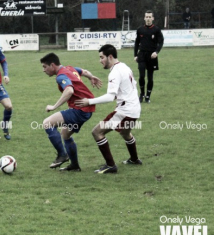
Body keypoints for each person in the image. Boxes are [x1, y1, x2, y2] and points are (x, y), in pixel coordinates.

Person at [75, 44, 142, 174]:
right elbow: (133, 85)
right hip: (134, 109)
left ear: (110, 57)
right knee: (125, 133)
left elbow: (110, 97)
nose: (100, 61)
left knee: (97, 132)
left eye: (102, 57)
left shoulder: (115, 72)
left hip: (125, 111)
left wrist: (89, 101)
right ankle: (134, 159)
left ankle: (110, 166)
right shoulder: (124, 66)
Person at [40, 53, 102, 171]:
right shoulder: (69, 68)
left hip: (80, 109)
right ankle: (74, 166)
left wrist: (54, 106)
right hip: (87, 109)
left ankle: (62, 155)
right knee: (65, 134)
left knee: (47, 123)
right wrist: (91, 77)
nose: (44, 70)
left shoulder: (60, 76)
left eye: (44, 67)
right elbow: (84, 71)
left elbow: (69, 90)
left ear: (52, 65)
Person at [134, 10, 164, 103]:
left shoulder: (156, 30)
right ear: (144, 18)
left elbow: (161, 42)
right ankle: (142, 94)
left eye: (149, 17)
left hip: (152, 56)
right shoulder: (140, 30)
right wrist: (135, 55)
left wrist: (156, 52)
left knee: (150, 77)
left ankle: (148, 96)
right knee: (141, 76)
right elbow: (136, 43)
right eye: (146, 17)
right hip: (142, 55)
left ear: (153, 18)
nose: (148, 19)